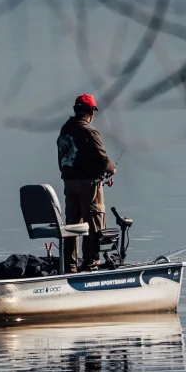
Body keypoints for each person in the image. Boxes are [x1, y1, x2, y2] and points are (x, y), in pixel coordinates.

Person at [56, 93, 116, 272]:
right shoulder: (89, 131)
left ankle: (70, 266)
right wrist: (111, 170)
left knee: (72, 226)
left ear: (76, 110)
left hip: (69, 184)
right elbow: (102, 157)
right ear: (91, 111)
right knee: (94, 224)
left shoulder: (64, 130)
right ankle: (91, 266)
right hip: (89, 185)